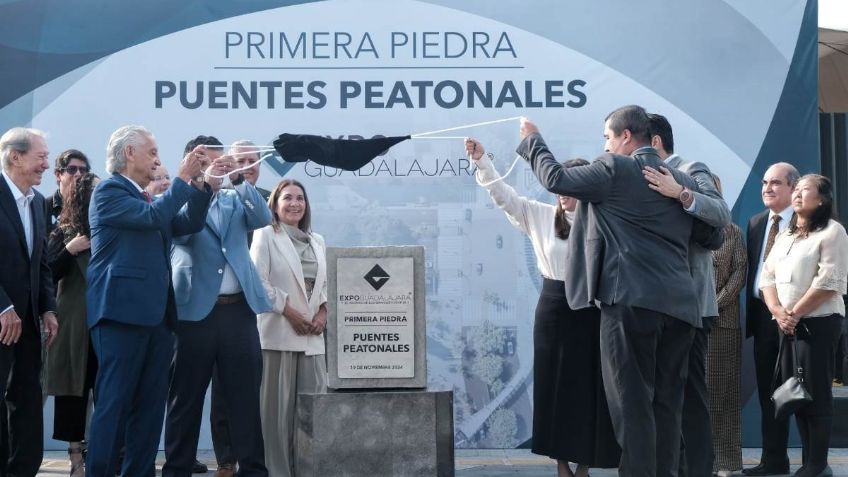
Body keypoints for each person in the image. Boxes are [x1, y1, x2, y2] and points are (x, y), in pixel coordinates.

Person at [517, 105, 722, 477]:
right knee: (666, 408)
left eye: (608, 138)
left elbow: (556, 179)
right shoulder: (679, 180)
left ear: (626, 136)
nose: (606, 146)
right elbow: (714, 234)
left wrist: (533, 139)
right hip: (681, 309)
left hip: (630, 303)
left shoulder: (614, 168)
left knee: (632, 407)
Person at [465, 140, 619, 477]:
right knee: (554, 387)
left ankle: (585, 465)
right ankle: (561, 464)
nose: (562, 191)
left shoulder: (606, 221)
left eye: (570, 184)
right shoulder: (540, 215)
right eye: (559, 183)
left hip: (593, 311)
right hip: (553, 309)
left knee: (591, 388)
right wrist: (482, 162)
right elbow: (503, 196)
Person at [85, 125, 212, 477]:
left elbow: (187, 224)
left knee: (150, 408)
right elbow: (156, 217)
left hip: (157, 318)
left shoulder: (147, 199)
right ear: (129, 153)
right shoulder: (109, 191)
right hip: (120, 316)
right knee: (114, 405)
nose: (158, 159)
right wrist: (183, 179)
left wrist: (204, 186)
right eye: (152, 152)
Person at [163, 135, 272, 477]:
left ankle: (252, 469)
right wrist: (204, 187)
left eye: (218, 160)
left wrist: (237, 178)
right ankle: (177, 467)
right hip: (194, 311)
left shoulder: (233, 197)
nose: (216, 167)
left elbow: (263, 217)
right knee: (186, 397)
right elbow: (183, 231)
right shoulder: (177, 197)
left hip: (237, 311)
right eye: (206, 160)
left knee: (244, 396)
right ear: (192, 162)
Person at [643, 113, 731, 477]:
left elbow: (720, 213)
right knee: (661, 395)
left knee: (691, 393)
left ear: (656, 143)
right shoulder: (636, 178)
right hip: (653, 304)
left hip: (691, 306)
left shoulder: (691, 169)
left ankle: (698, 470)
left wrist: (679, 193)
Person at [760, 174, 848, 477]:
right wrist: (778, 311)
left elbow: (829, 282)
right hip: (787, 324)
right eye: (795, 189)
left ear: (822, 199)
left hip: (818, 324)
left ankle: (817, 463)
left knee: (818, 394)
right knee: (797, 393)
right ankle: (810, 463)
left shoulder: (833, 232)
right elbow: (766, 277)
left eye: (804, 190)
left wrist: (794, 313)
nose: (796, 194)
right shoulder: (786, 234)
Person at [250, 179, 328, 477]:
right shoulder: (265, 235)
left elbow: (326, 285)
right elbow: (258, 281)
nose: (295, 203)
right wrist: (290, 312)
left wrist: (323, 313)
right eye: (287, 198)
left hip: (312, 340)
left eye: (300, 198)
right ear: (275, 203)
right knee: (276, 417)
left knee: (313, 415)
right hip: (279, 338)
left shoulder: (318, 240)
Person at [209, 139, 270, 477]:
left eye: (252, 159)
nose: (247, 165)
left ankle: (251, 464)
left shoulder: (268, 197)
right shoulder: (219, 193)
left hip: (250, 303)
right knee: (220, 390)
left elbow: (265, 224)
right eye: (240, 159)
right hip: (214, 301)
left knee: (246, 389)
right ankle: (225, 460)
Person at [0, 127, 58, 476]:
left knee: (26, 397)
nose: (46, 165)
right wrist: (3, 306)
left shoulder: (37, 201)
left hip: (27, 324)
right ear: (15, 156)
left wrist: (47, 307)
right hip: (3, 317)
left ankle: (22, 469)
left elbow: (42, 262)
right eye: (41, 157)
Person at [744, 162, 800, 476]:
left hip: (796, 320)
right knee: (769, 395)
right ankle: (774, 460)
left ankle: (815, 461)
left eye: (776, 183)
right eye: (765, 182)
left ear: (794, 188)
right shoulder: (755, 223)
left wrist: (789, 311)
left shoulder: (806, 223)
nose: (767, 188)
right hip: (764, 321)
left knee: (798, 392)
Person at [45, 172, 99, 477]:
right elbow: (47, 274)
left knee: (104, 390)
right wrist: (70, 249)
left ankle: (102, 453)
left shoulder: (109, 230)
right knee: (72, 393)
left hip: (103, 321)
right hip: (74, 324)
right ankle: (76, 458)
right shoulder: (62, 232)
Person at [708, 174, 746, 476]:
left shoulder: (732, 232)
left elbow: (739, 272)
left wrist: (714, 303)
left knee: (724, 394)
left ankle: (727, 462)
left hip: (722, 323)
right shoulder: (684, 227)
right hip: (689, 321)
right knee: (694, 396)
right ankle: (696, 460)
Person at [45, 149, 91, 235]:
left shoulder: (93, 205)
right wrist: (68, 248)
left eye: (82, 170)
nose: (78, 174)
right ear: (58, 175)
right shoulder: (43, 207)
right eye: (72, 169)